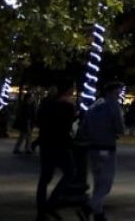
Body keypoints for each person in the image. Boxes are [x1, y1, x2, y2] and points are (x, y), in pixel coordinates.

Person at [81, 81, 125, 221]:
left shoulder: (94, 106)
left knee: (98, 181)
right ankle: (90, 207)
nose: (119, 95)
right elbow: (120, 128)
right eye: (118, 93)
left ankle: (98, 213)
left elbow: (84, 127)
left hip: (93, 147)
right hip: (107, 146)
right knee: (105, 183)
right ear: (112, 92)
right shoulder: (113, 106)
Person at [35, 82, 77, 221]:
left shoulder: (48, 104)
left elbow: (40, 121)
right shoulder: (68, 106)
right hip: (60, 144)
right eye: (73, 88)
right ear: (68, 90)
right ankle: (52, 202)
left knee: (44, 178)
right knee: (70, 172)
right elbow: (66, 126)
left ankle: (41, 209)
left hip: (46, 143)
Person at [13, 88, 38, 155]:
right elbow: (26, 114)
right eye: (31, 98)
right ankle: (24, 149)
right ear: (28, 99)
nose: (32, 99)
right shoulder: (26, 105)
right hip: (26, 122)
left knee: (26, 136)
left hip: (28, 122)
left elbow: (32, 114)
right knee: (25, 136)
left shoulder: (30, 105)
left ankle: (25, 148)